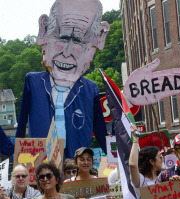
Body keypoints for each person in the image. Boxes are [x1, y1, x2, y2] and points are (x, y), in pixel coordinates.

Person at [15, 0, 109, 159]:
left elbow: (100, 129)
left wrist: (120, 159)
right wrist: (16, 157)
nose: (67, 52)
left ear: (98, 39)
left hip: (77, 166)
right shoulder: (33, 82)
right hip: (42, 164)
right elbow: (22, 122)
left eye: (78, 41)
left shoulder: (89, 89)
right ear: (44, 31)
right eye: (63, 38)